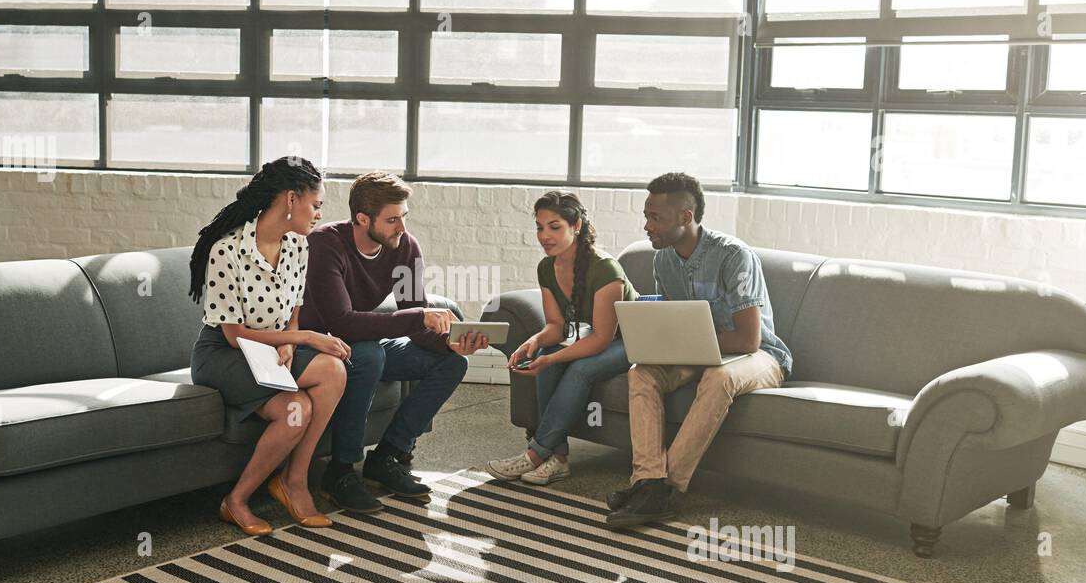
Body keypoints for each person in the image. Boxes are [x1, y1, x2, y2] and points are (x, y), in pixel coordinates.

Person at [607, 172, 793, 529]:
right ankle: (647, 480)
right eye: (646, 216)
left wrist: (686, 343)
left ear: (685, 218)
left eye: (654, 217)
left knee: (718, 376)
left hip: (762, 358)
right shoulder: (662, 260)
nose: (647, 226)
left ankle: (665, 491)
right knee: (641, 372)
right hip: (699, 352)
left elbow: (748, 340)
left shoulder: (733, 256)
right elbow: (675, 324)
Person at [300, 171, 489, 513]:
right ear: (362, 218)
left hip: (359, 343)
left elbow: (414, 321)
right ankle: (340, 472)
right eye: (391, 220)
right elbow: (340, 321)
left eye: (403, 217)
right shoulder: (325, 245)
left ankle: (387, 457)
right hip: (318, 346)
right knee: (370, 356)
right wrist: (420, 317)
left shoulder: (404, 246)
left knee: (451, 363)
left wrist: (449, 342)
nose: (401, 227)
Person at [188, 157, 352, 537]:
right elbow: (234, 335)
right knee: (327, 368)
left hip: (272, 350)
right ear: (292, 200)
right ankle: (241, 501)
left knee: (300, 405)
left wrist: (292, 342)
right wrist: (305, 338)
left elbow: (292, 312)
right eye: (316, 204)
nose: (318, 214)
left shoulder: (298, 247)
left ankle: (290, 482)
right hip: (224, 355)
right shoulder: (227, 251)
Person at [486, 191, 637, 486]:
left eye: (554, 227)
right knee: (547, 357)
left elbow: (603, 338)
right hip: (597, 338)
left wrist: (552, 356)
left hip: (631, 340)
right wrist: (535, 342)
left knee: (579, 368)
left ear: (576, 226)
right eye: (540, 227)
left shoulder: (606, 268)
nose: (545, 235)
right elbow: (555, 325)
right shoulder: (546, 267)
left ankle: (535, 453)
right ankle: (559, 459)